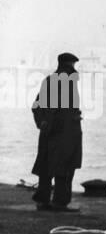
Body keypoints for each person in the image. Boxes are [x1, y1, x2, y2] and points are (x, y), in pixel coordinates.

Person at [31, 52, 83, 212]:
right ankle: (59, 203)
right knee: (65, 168)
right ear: (68, 65)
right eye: (72, 66)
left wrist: (43, 123)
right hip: (65, 133)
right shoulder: (66, 83)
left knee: (47, 168)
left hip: (51, 133)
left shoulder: (50, 81)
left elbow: (37, 107)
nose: (73, 69)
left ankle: (43, 201)